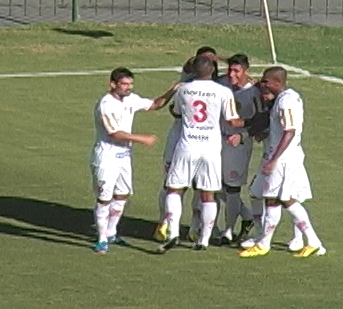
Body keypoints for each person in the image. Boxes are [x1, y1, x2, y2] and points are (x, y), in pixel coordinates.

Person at [238, 66, 326, 258]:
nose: (263, 83)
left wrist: (274, 159)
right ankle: (313, 242)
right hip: (278, 155)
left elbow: (290, 131)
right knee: (271, 196)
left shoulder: (286, 102)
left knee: (276, 200)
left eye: (266, 81)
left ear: (277, 82)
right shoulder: (284, 98)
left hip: (283, 159)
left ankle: (264, 243)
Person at [91, 67, 180, 254]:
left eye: (130, 84)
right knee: (104, 199)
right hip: (106, 158)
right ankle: (101, 239)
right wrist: (142, 139)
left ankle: (111, 232)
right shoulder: (106, 104)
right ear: (112, 84)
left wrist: (173, 90)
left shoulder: (131, 99)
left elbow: (155, 104)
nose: (128, 88)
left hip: (124, 157)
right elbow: (113, 132)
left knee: (122, 195)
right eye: (124, 84)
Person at [158, 55, 241, 253]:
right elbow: (231, 119)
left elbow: (177, 112)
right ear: (213, 70)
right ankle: (203, 239)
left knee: (174, 189)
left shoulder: (183, 89)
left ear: (194, 71)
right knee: (208, 195)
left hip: (187, 145)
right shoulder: (224, 91)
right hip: (211, 149)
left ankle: (174, 232)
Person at [154, 46, 221, 242]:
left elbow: (173, 109)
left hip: (187, 141)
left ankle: (194, 226)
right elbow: (174, 112)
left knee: (198, 187)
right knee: (172, 184)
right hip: (182, 137)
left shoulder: (186, 88)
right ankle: (164, 222)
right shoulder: (187, 80)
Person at [217, 53, 261, 245]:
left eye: (236, 71)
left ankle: (228, 231)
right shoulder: (222, 84)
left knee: (232, 188)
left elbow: (260, 120)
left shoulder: (254, 93)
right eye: (230, 70)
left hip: (239, 144)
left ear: (246, 71)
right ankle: (247, 216)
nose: (232, 74)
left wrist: (242, 128)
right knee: (213, 184)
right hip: (218, 139)